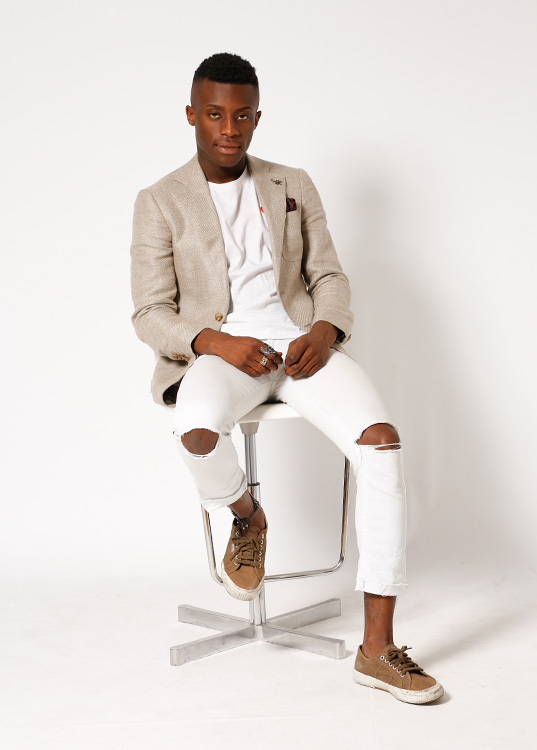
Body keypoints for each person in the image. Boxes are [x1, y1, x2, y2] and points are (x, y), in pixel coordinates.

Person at [130, 52, 444, 704]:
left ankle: (377, 649)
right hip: (222, 354)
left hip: (302, 350)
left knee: (381, 444)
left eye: (242, 115)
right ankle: (247, 516)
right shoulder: (160, 201)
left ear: (256, 116)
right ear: (191, 115)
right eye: (214, 114)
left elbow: (328, 276)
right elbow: (150, 313)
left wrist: (325, 330)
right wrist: (217, 341)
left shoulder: (290, 183)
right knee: (195, 432)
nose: (229, 129)